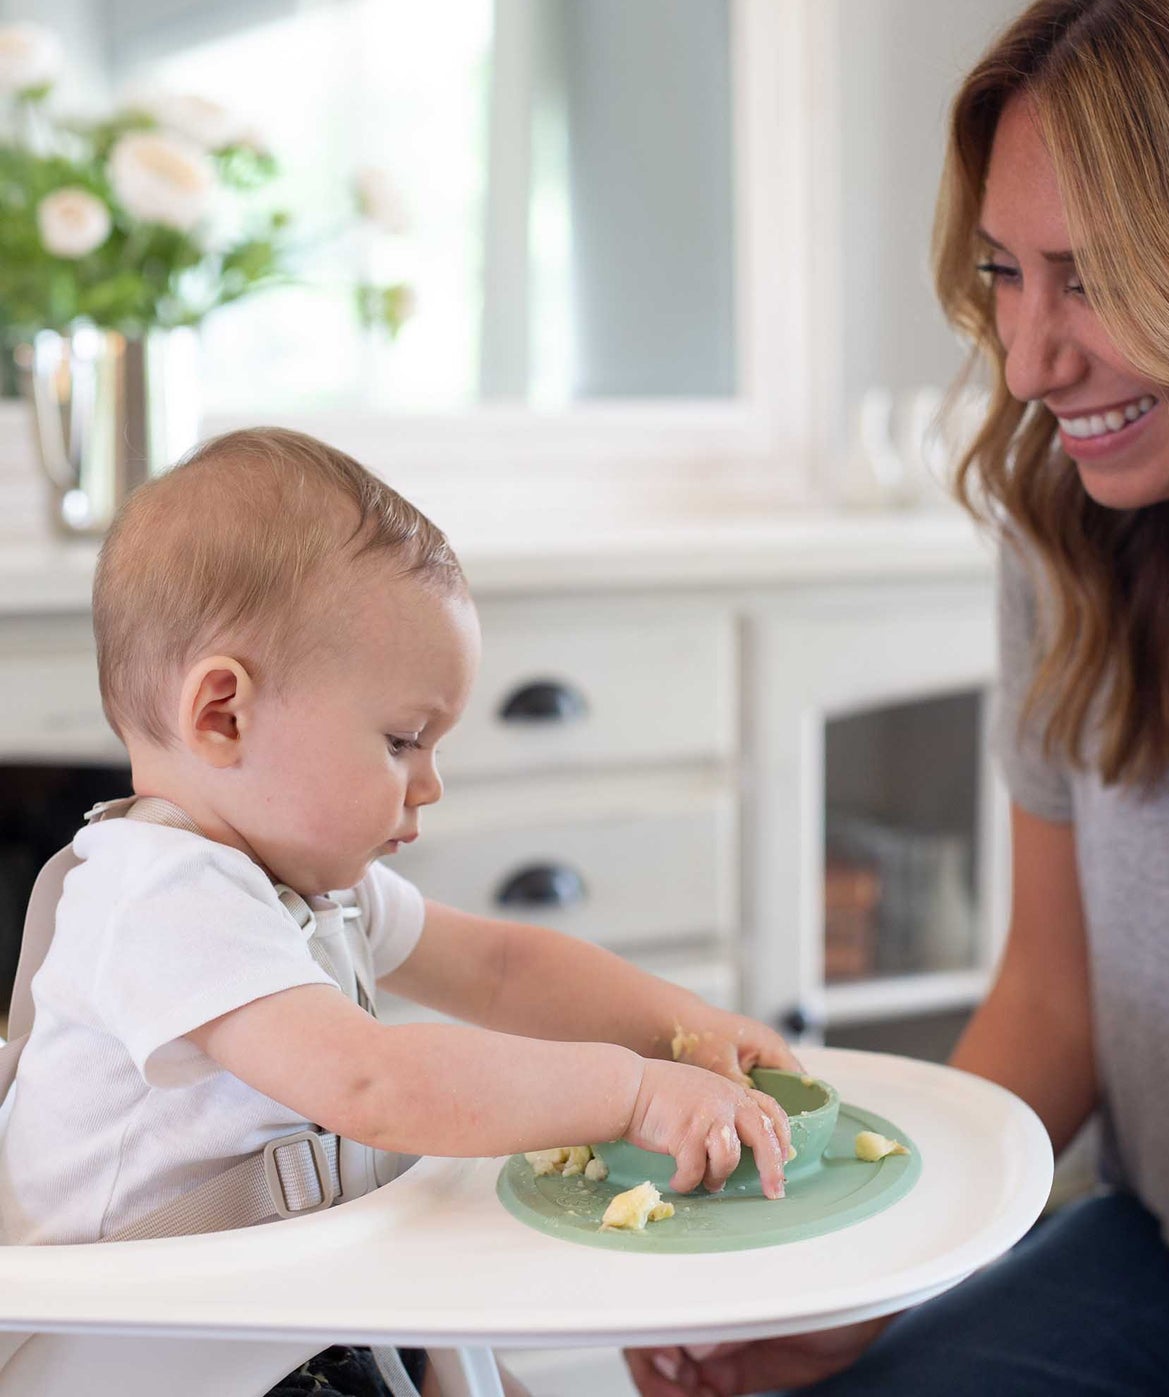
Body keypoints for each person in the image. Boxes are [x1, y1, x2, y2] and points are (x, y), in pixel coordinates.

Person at [628, 0, 1169, 1393]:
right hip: (1167, 1254)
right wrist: (858, 1285)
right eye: (1007, 274)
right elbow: (1055, 1006)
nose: (1025, 360)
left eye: (1098, 277)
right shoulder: (1072, 542)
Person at [0, 428, 796, 1397]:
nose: (429, 783)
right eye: (402, 739)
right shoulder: (157, 896)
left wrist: (683, 1028)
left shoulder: (305, 888)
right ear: (223, 713)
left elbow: (502, 967)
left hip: (285, 1315)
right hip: (138, 1354)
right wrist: (628, 1092)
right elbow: (369, 1082)